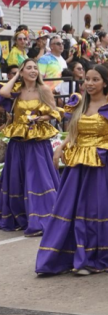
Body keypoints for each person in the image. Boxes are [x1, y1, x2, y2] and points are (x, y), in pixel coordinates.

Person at [35, 65, 108, 275]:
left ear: (105, 82)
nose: (89, 83)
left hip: (105, 167)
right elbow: (73, 134)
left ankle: (98, 256)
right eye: (87, 79)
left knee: (99, 210)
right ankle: (79, 256)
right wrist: (59, 149)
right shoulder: (79, 103)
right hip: (78, 167)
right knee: (75, 210)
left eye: (95, 79)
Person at [0, 59, 61, 236]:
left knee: (37, 178)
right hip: (17, 141)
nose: (33, 70)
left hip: (37, 141)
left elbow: (55, 112)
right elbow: (3, 91)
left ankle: (42, 217)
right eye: (29, 68)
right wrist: (17, 76)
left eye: (35, 68)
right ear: (22, 71)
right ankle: (21, 216)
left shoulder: (44, 90)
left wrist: (39, 119)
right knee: (17, 177)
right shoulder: (16, 90)